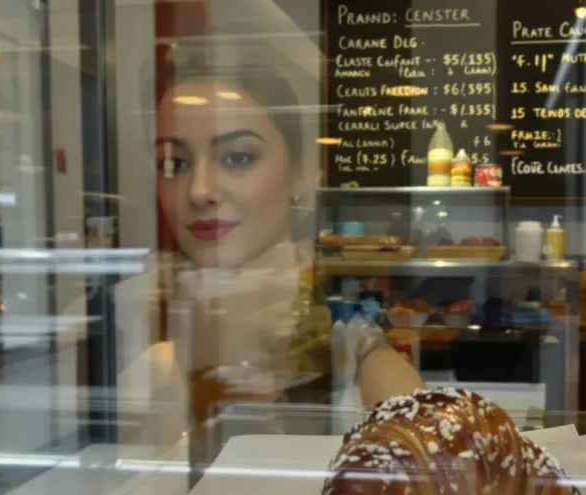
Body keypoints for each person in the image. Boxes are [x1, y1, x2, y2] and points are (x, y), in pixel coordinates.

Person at [122, 32, 424, 438]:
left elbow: (434, 461)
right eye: (174, 164)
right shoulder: (128, 317)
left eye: (238, 158)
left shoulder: (346, 342)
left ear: (300, 171)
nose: (200, 191)